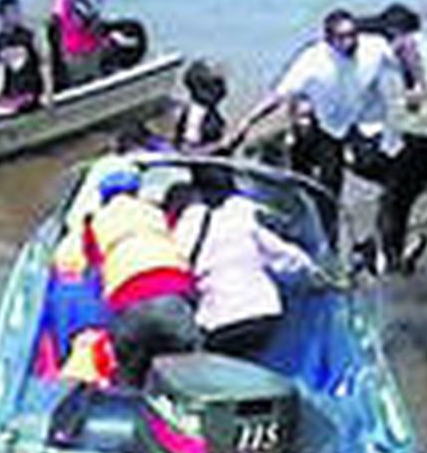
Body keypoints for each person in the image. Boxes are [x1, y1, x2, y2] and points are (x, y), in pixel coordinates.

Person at [224, 9, 415, 270]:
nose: (350, 42)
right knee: (327, 191)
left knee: (391, 176)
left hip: (365, 123)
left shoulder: (375, 47)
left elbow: (407, 50)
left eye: (353, 35)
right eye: (342, 37)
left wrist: (416, 85)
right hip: (330, 128)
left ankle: (380, 241)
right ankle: (330, 253)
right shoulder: (312, 61)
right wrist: (246, 123)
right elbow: (277, 97)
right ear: (329, 40)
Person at [52, 167, 199, 386]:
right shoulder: (155, 213)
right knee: (184, 375)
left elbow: (93, 262)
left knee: (128, 372)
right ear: (136, 192)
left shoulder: (95, 221)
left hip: (129, 300)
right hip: (176, 293)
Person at [167, 174, 314, 360]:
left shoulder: (182, 231)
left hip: (218, 322)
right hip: (264, 312)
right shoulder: (240, 220)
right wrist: (316, 275)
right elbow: (287, 258)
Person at [50, 0, 108, 87]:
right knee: (78, 80)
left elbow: (96, 13)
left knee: (94, 77)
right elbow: (57, 19)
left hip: (92, 44)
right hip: (73, 47)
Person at [0, 0, 44, 112]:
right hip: (11, 91)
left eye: (18, 11)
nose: (19, 15)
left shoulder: (28, 36)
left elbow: (42, 64)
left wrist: (47, 91)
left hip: (30, 90)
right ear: (2, 16)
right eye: (13, 12)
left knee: (24, 101)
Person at [173, 59, 229, 153]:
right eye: (216, 84)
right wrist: (218, 146)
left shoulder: (212, 114)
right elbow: (187, 150)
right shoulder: (196, 112)